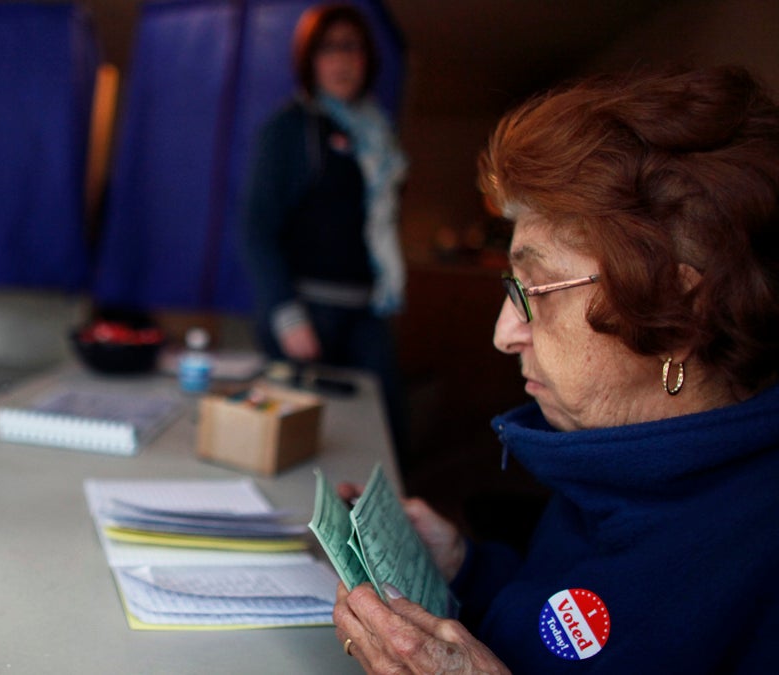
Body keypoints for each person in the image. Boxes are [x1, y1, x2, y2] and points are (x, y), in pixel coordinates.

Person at [332, 65, 779, 673]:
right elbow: (562, 624)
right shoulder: (608, 457)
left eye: (535, 288)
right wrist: (467, 567)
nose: (503, 335)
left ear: (681, 317)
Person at [239, 3, 409, 455]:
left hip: (367, 310)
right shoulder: (289, 129)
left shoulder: (376, 134)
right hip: (307, 311)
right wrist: (287, 317)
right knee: (297, 441)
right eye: (328, 49)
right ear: (310, 60)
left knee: (384, 433)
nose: (341, 60)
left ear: (367, 58)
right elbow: (257, 230)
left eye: (350, 47)